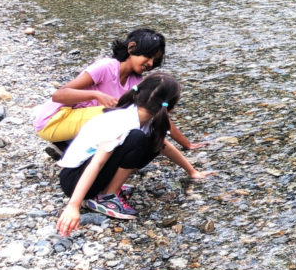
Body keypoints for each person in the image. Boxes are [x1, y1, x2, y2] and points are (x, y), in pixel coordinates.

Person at [56, 73, 213, 236]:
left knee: (154, 142)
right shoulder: (122, 121)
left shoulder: (148, 119)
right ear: (170, 107)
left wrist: (192, 172)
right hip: (73, 180)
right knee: (136, 139)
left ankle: (107, 189)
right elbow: (97, 163)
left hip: (85, 175)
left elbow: (165, 147)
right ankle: (107, 196)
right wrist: (73, 206)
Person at [34, 28, 204, 157]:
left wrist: (186, 144)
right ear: (131, 48)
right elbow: (59, 95)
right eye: (148, 56)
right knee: (119, 114)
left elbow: (156, 114)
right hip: (53, 121)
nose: (151, 63)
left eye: (155, 60)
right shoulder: (106, 67)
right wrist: (96, 95)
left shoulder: (136, 82)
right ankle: (75, 152)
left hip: (78, 123)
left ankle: (68, 145)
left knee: (137, 117)